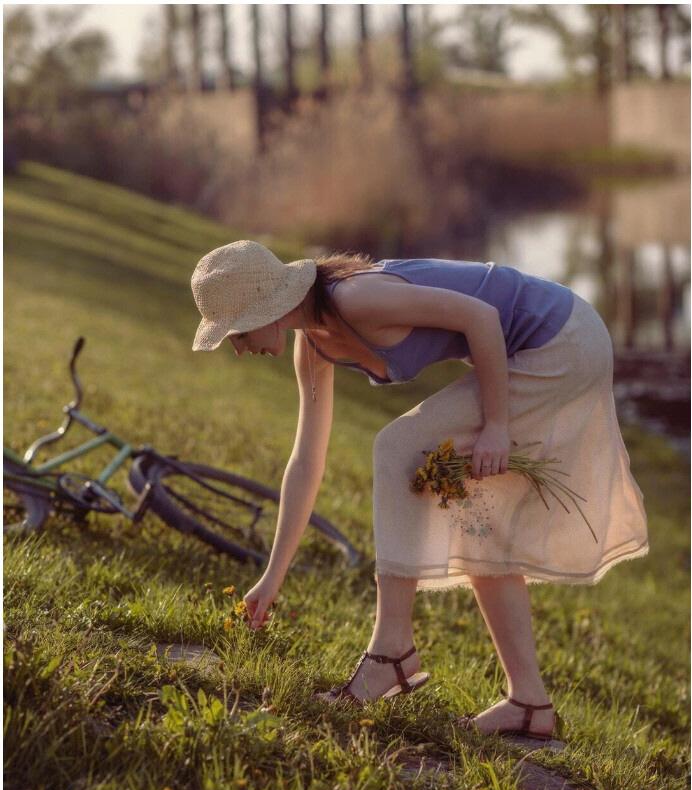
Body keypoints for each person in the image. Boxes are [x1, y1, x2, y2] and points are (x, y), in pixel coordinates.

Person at [190, 239, 649, 741]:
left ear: (267, 308)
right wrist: (272, 577)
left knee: (399, 448)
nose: (237, 346)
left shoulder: (355, 301)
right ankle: (530, 705)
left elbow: (480, 317)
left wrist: (496, 425)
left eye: (236, 331)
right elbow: (307, 460)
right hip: (544, 345)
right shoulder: (315, 342)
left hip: (563, 340)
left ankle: (392, 652)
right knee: (476, 521)